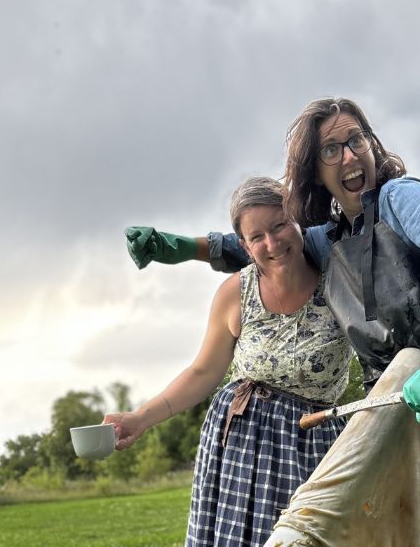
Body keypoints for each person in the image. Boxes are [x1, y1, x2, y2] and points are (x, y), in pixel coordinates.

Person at [127, 97, 420, 547]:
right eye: (332, 150)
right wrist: (177, 247)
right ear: (315, 170)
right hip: (404, 413)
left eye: (357, 140)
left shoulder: (399, 198)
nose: (350, 156)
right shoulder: (330, 239)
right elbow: (264, 244)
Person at [108, 176, 355, 547]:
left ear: (298, 221)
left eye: (279, 225)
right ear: (244, 245)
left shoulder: (342, 280)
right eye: (257, 237)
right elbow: (203, 372)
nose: (272, 244)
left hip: (313, 443)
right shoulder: (235, 293)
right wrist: (140, 418)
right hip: (240, 440)